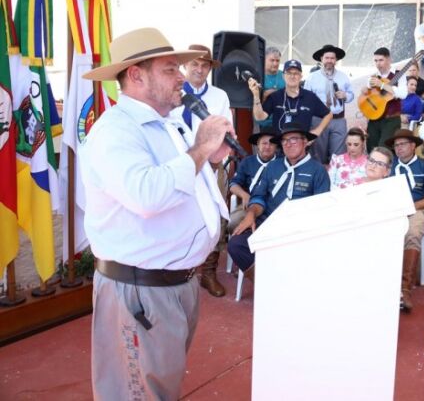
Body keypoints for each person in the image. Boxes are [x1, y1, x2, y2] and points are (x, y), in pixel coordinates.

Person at [80, 28, 234, 399]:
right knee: (137, 391)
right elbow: (147, 195)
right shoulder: (115, 131)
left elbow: (180, 184)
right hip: (140, 289)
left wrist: (208, 160)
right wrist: (198, 150)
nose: (182, 76)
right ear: (136, 75)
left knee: (158, 386)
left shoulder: (168, 122)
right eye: (170, 69)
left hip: (174, 283)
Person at [227, 123, 330, 276]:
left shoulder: (318, 171)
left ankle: (279, 282)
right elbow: (259, 197)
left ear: (305, 142)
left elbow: (321, 208)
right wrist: (251, 214)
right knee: (236, 244)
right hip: (267, 223)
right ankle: (265, 283)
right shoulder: (273, 166)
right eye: (284, 140)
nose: (288, 144)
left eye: (294, 139)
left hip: (298, 230)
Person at [170, 44, 232, 298]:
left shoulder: (219, 96)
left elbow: (227, 131)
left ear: (209, 69)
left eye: (204, 65)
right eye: (194, 63)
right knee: (175, 213)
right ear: (186, 66)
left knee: (214, 216)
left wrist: (216, 162)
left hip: (210, 164)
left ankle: (208, 272)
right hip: (175, 165)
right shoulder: (171, 93)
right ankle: (175, 270)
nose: (198, 68)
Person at [386, 129, 424, 312]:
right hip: (390, 209)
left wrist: (413, 206)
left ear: (412, 146)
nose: (399, 148)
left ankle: (405, 288)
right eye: (396, 145)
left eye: (403, 144)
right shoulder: (390, 166)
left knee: (413, 232)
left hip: (415, 209)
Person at [251, 59, 332, 136]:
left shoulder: (310, 97)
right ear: (283, 76)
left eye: (296, 73)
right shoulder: (275, 96)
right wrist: (256, 96)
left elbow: (328, 114)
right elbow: (260, 117)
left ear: (301, 76)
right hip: (280, 144)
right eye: (289, 73)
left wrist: (317, 131)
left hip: (302, 145)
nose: (292, 76)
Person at [304, 44, 354, 164]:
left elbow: (351, 95)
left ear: (336, 60)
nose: (329, 61)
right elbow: (305, 99)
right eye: (327, 58)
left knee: (339, 156)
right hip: (319, 119)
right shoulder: (312, 78)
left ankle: (336, 180)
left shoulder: (343, 77)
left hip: (338, 120)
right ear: (321, 59)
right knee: (318, 154)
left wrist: (345, 95)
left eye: (332, 58)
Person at [228, 127, 278, 233]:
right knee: (233, 223)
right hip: (250, 204)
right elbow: (233, 185)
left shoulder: (281, 162)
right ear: (258, 145)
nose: (267, 147)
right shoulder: (247, 162)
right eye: (264, 143)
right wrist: (244, 195)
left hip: (274, 206)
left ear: (276, 146)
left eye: (271, 144)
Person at [362, 47, 408, 151]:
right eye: (376, 60)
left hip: (391, 119)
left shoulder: (399, 74)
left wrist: (382, 85)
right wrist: (364, 91)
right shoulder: (373, 76)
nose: (378, 63)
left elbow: (403, 94)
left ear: (389, 59)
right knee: (371, 149)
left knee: (384, 149)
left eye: (381, 60)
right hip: (374, 119)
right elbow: (368, 94)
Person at [257, 47, 286, 128]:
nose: (275, 63)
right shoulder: (258, 76)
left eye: (277, 61)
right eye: (272, 60)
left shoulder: (285, 75)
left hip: (281, 120)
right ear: (264, 60)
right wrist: (265, 95)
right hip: (262, 121)